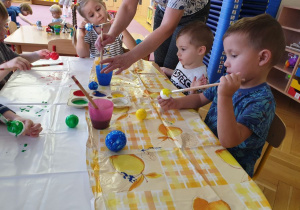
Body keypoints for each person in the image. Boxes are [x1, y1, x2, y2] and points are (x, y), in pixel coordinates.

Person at [158, 14, 285, 177]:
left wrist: (225, 97)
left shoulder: (262, 102)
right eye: (226, 56)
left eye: (234, 55)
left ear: (262, 58)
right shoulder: (228, 80)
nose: (226, 63)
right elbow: (199, 98)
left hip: (230, 169)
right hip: (207, 146)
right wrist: (175, 103)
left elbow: (229, 141)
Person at [95, 0, 211, 74]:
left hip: (192, 14)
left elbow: (167, 27)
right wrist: (112, 34)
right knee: (159, 64)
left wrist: (130, 57)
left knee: (174, 65)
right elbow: (128, 6)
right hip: (164, 8)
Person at [0, 1, 51, 89]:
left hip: (8, 91)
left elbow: (16, 59)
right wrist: (7, 65)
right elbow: (10, 63)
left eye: (4, 25)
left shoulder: (1, 45)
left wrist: (36, 55)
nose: (4, 32)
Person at [160, 21, 213, 95]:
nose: (178, 53)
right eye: (178, 49)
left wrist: (193, 91)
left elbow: (196, 103)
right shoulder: (183, 61)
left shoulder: (201, 76)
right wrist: (166, 70)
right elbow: (179, 76)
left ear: (200, 50)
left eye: (183, 49)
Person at [71, 0, 136, 58]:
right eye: (91, 15)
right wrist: (81, 36)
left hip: (116, 68)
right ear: (87, 20)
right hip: (96, 69)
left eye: (98, 9)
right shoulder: (89, 33)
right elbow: (83, 54)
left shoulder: (116, 29)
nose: (98, 15)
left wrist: (121, 27)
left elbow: (133, 48)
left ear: (104, 6)